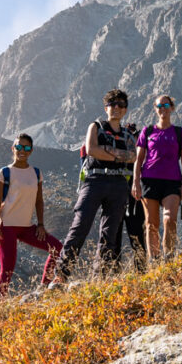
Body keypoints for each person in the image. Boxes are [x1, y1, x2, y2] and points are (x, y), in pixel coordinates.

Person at [56, 89, 135, 283]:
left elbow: (133, 157)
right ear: (106, 107)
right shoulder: (96, 126)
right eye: (112, 104)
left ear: (125, 109)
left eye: (121, 105)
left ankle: (100, 278)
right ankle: (61, 275)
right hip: (94, 180)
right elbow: (92, 150)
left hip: (118, 183)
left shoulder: (128, 134)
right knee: (80, 225)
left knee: (110, 233)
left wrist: (106, 150)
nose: (117, 108)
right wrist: (118, 155)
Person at [0, 133, 62, 299]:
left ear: (31, 150)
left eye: (26, 147)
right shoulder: (4, 172)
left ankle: (45, 286)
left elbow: (39, 201)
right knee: (7, 269)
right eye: (19, 147)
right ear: (13, 148)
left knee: (57, 248)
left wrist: (41, 224)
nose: (22, 150)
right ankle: (0, 305)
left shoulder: (36, 173)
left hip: (27, 227)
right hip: (6, 227)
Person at [132, 94, 182, 261]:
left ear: (172, 108)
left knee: (170, 219)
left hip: (172, 181)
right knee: (151, 224)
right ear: (155, 109)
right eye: (159, 106)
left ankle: (169, 259)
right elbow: (139, 159)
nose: (162, 108)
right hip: (149, 180)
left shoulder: (179, 132)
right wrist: (136, 183)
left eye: (166, 105)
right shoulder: (147, 131)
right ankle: (154, 261)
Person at [114, 122, 148, 272]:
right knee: (135, 236)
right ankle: (139, 271)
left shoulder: (139, 155)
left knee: (126, 236)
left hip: (128, 195)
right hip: (131, 196)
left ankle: (116, 271)